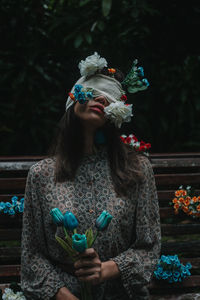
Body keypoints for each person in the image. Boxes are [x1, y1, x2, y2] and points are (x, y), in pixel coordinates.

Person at [21, 52, 161, 300]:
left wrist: (104, 270)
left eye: (108, 98)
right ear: (73, 100)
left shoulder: (137, 170)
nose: (100, 100)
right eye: (92, 93)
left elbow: (148, 248)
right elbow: (32, 255)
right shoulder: (41, 175)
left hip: (119, 292)